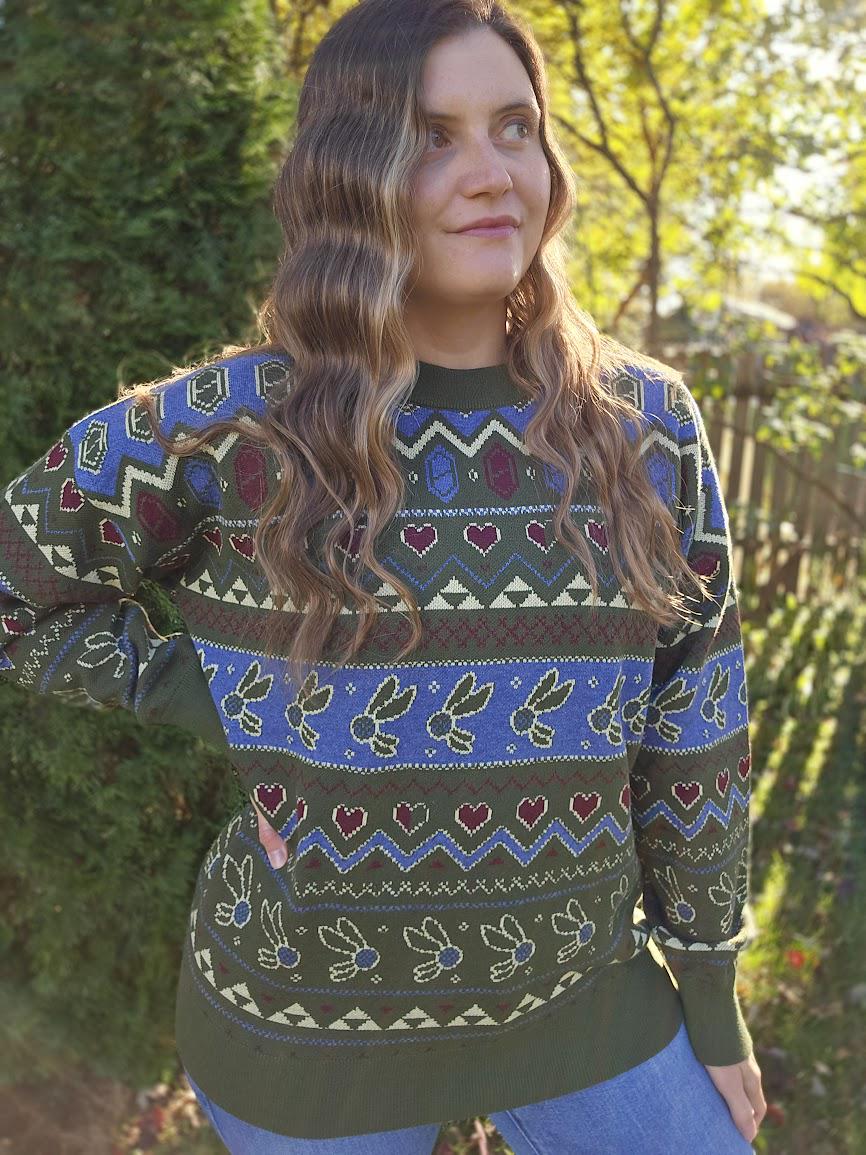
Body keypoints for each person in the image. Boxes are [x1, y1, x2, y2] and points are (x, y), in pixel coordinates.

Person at [0, 0, 767, 1150]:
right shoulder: (229, 426)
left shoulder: (643, 425)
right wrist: (212, 692)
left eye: (514, 127)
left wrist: (709, 996)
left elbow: (693, 724)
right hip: (308, 1035)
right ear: (349, 175)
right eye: (429, 137)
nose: (490, 172)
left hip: (583, 1005)